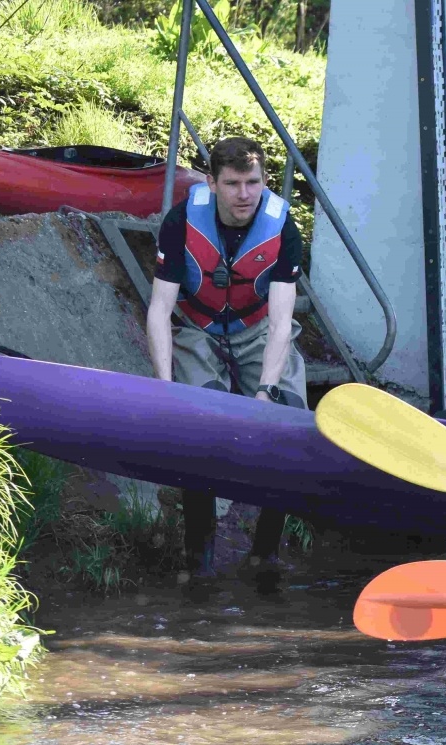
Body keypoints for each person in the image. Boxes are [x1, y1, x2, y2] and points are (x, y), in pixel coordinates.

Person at [146, 135, 309, 582]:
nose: (244, 194)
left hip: (257, 329)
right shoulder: (181, 222)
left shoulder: (282, 229)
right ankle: (198, 561)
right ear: (213, 183)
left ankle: (265, 555)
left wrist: (264, 393)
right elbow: (160, 310)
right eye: (234, 183)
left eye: (253, 182)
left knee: (290, 423)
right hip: (199, 328)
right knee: (201, 429)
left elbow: (280, 325)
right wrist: (164, 385)